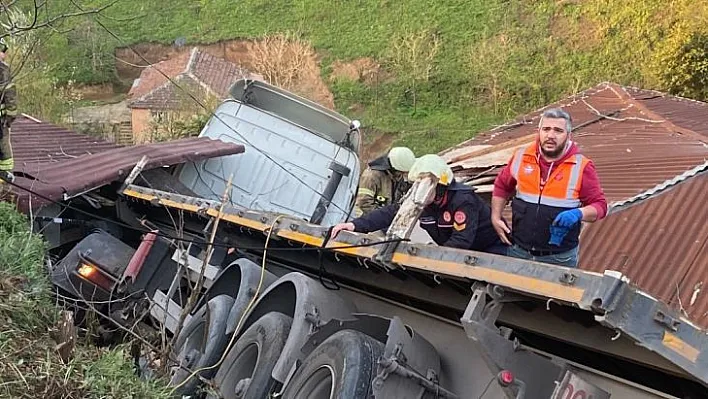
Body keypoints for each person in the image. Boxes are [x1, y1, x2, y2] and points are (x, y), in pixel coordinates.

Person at [491, 108, 607, 268]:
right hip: (518, 250)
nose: (551, 135)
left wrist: (578, 213)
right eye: (546, 129)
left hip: (558, 257)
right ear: (538, 132)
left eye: (558, 130)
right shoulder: (521, 157)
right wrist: (495, 217)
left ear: (568, 135)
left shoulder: (581, 166)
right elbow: (502, 186)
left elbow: (600, 206)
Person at [332, 154, 506, 255]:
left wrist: (432, 257)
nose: (420, 190)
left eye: (426, 184)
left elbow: (461, 241)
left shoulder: (462, 201)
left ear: (440, 185)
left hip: (491, 250)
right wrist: (355, 225)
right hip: (461, 252)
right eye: (418, 183)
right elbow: (392, 212)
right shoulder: (421, 201)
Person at [353, 146, 416, 217]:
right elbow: (364, 203)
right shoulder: (371, 177)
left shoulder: (396, 175)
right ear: (396, 169)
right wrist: (384, 217)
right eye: (403, 172)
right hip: (368, 219)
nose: (405, 175)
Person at [0, 37, 17, 183]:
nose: (3, 54)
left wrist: (10, 117)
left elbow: (10, 94)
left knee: (3, 144)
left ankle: (4, 172)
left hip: (1, 119)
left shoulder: (3, 69)